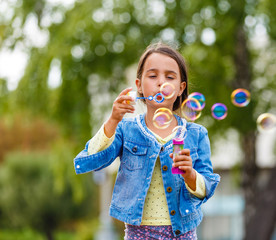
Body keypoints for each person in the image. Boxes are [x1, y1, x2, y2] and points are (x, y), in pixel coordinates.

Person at [74, 42, 220, 239]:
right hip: (138, 234)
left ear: (180, 88)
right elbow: (91, 160)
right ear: (139, 85)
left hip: (183, 234)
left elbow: (207, 186)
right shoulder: (126, 130)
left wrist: (191, 176)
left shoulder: (195, 134)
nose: (161, 82)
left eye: (170, 77)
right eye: (152, 76)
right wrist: (113, 120)